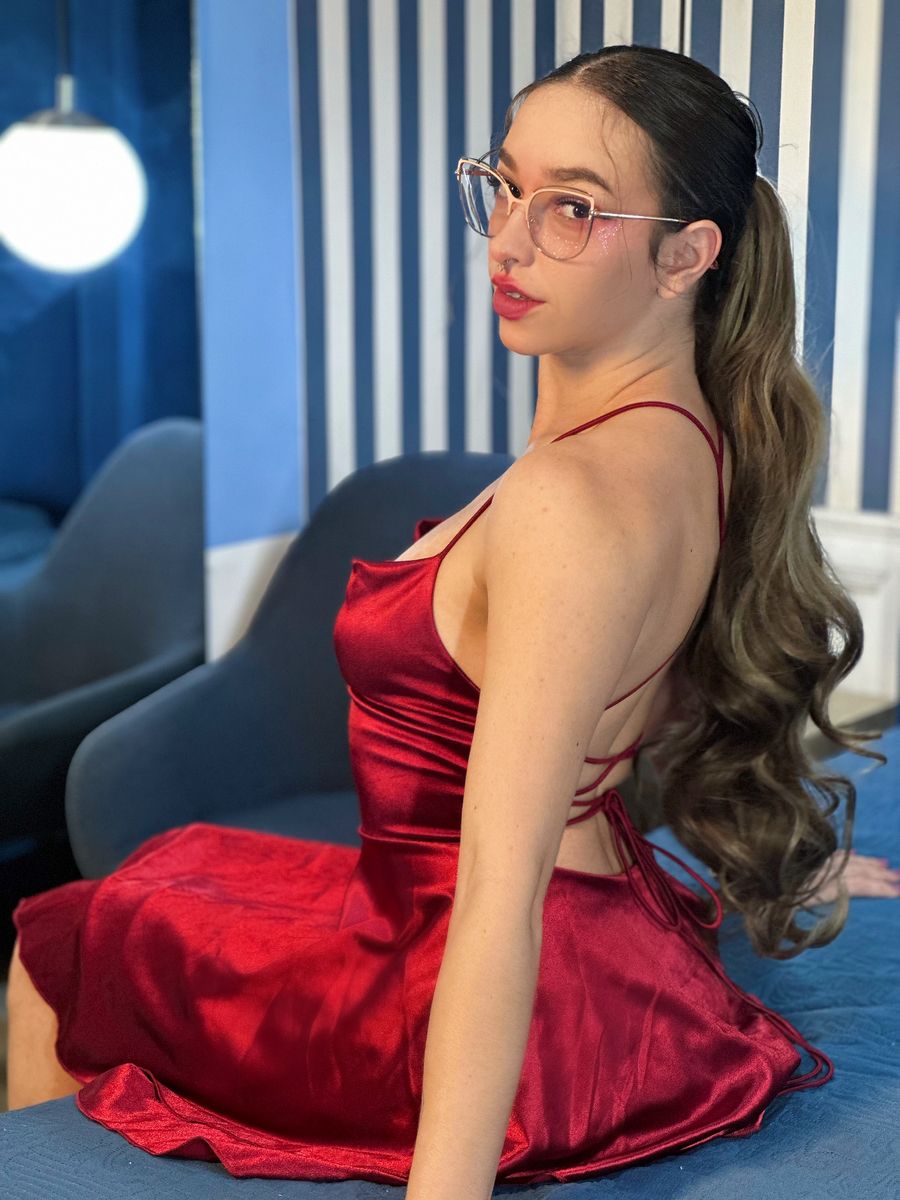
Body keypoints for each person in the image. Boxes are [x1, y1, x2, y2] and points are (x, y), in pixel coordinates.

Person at [6, 42, 895, 1198]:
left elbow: (498, 894)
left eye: (573, 208)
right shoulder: (693, 437)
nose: (510, 241)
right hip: (586, 928)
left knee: (71, 934)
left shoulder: (570, 502)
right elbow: (659, 686)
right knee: (173, 868)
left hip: (482, 993)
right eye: (506, 185)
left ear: (686, 255)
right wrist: (791, 861)